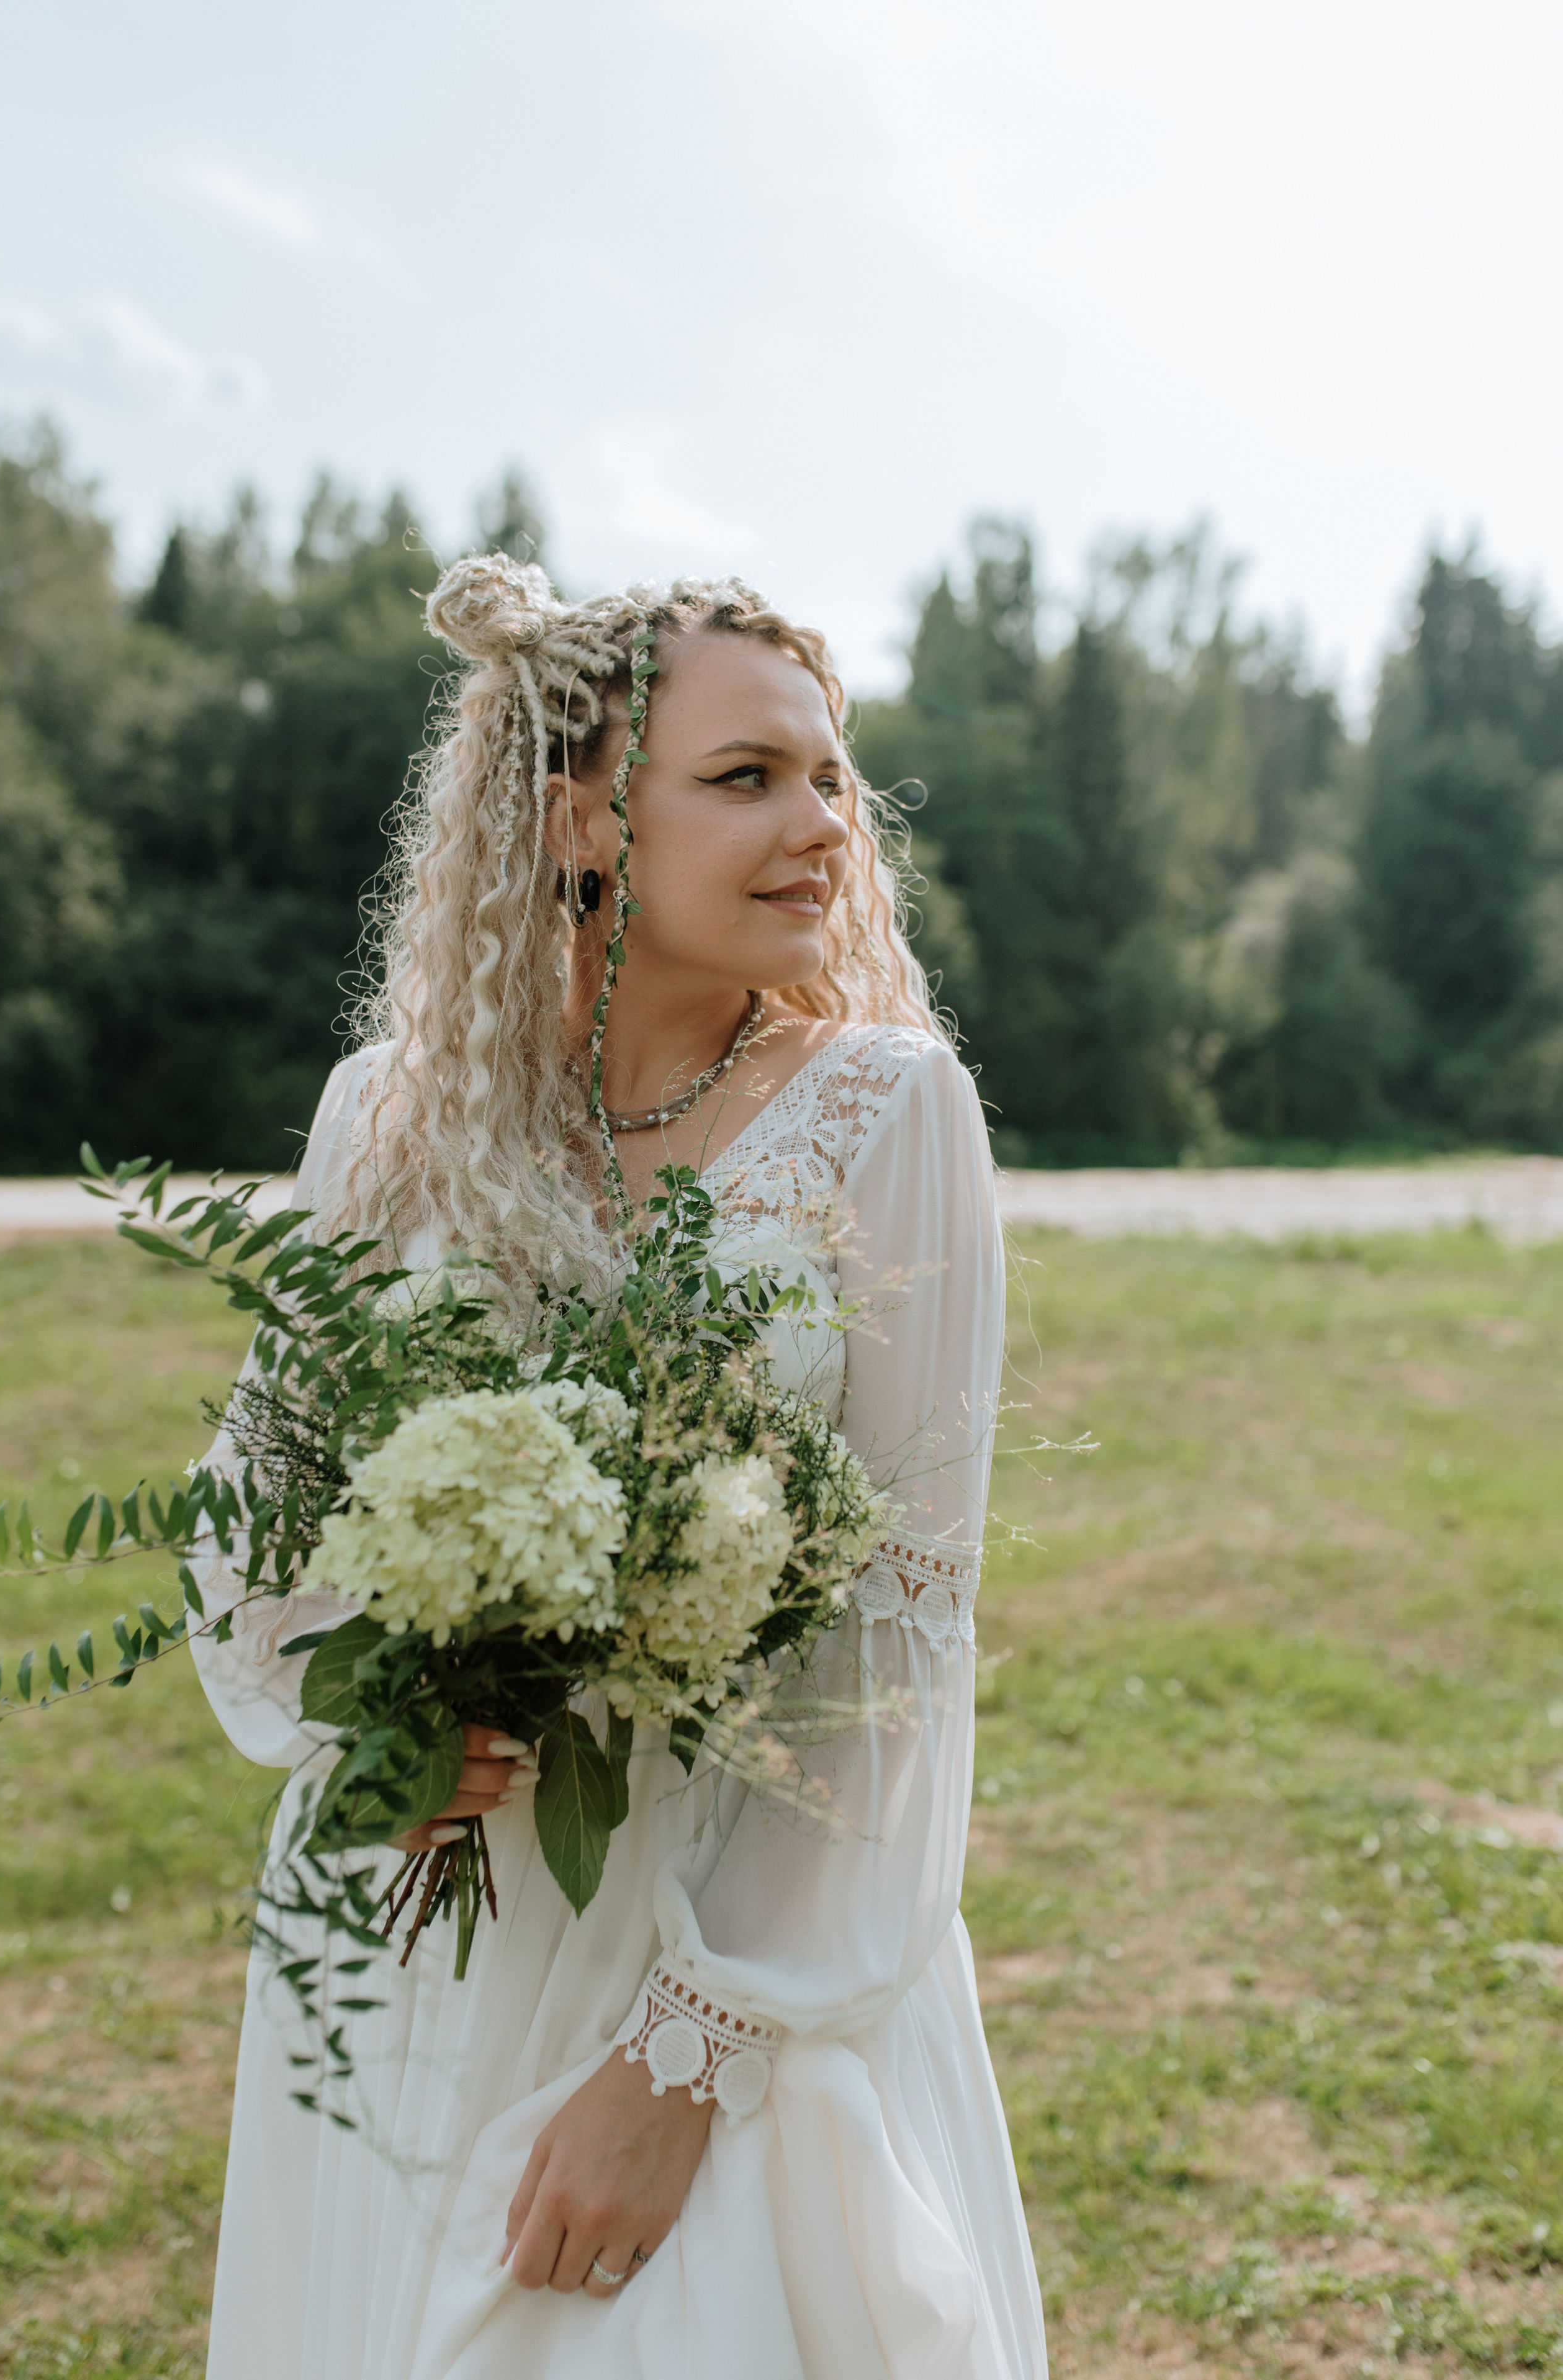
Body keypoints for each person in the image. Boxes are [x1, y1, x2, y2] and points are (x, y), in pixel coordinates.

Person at [190, 557, 1047, 2380]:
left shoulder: (891, 1119)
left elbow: (896, 1649)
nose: (821, 826)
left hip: (736, 1937)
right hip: (422, 1942)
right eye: (746, 779)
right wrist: (376, 1724)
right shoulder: (389, 1114)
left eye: (829, 777)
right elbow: (261, 1536)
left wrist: (685, 2056)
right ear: (581, 818)